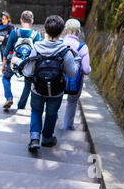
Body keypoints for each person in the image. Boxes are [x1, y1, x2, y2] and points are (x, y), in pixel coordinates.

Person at [18, 15, 81, 152]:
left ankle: (35, 139)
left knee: (36, 111)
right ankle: (47, 138)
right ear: (62, 31)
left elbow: (28, 72)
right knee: (52, 114)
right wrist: (76, 57)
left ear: (45, 30)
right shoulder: (66, 51)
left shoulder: (37, 47)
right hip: (56, 91)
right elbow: (73, 73)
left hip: (37, 89)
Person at [1, 11, 40, 111]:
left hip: (14, 63)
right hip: (28, 65)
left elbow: (7, 50)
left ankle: (9, 98)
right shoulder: (36, 35)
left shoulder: (15, 32)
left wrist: (4, 64)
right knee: (27, 84)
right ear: (32, 21)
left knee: (6, 78)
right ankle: (21, 106)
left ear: (21, 21)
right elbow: (38, 53)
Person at [61, 19, 91, 130]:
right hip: (76, 81)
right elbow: (86, 70)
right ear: (78, 32)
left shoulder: (59, 44)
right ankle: (67, 125)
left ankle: (52, 123)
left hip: (59, 79)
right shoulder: (82, 47)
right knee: (72, 102)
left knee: (56, 99)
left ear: (65, 31)